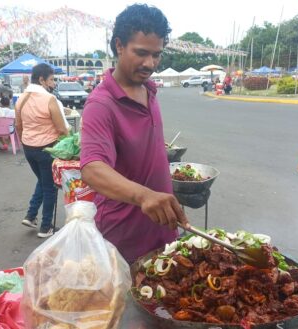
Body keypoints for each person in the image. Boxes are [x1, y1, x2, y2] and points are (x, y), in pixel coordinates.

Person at [80, 4, 188, 264]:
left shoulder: (149, 89)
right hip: (124, 241)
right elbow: (92, 168)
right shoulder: (101, 103)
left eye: (156, 55)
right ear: (119, 45)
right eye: (141, 53)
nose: (150, 64)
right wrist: (144, 195)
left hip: (163, 228)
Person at [15, 63, 68, 238]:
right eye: (51, 79)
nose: (53, 83)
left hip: (29, 148)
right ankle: (46, 227)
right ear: (41, 80)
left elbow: (18, 126)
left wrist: (27, 140)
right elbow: (61, 129)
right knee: (50, 186)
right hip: (46, 148)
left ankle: (30, 215)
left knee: (43, 181)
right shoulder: (49, 99)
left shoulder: (21, 99)